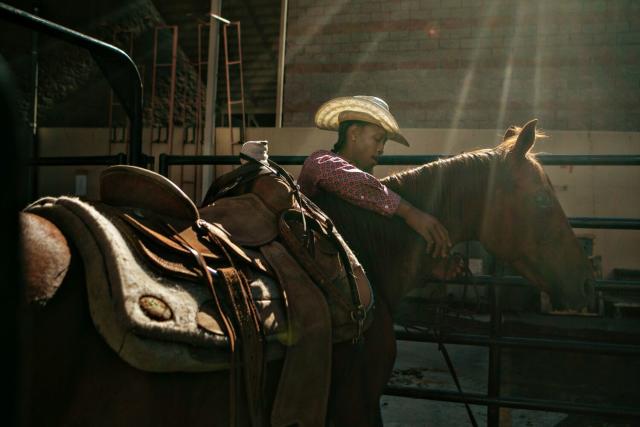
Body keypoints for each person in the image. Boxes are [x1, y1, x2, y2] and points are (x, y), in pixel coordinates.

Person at [298, 95, 452, 259]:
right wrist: (409, 212)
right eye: (377, 139)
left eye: (384, 142)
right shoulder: (320, 162)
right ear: (354, 133)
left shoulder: (372, 194)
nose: (381, 149)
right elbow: (351, 181)